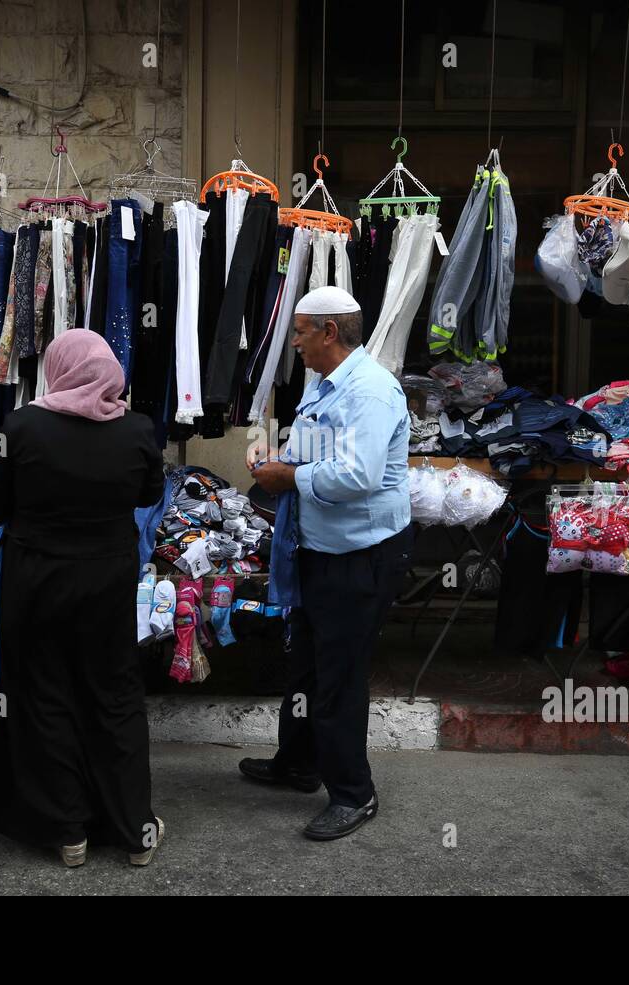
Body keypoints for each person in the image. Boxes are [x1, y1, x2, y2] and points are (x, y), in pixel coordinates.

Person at [0, 329, 166, 868]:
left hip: (36, 582)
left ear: (56, 368)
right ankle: (134, 832)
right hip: (107, 583)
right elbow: (150, 493)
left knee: (44, 696)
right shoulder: (137, 430)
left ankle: (68, 832)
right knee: (116, 698)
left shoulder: (20, 427)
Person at [243, 285, 412, 841]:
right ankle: (299, 763)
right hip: (321, 550)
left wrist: (285, 477)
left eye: (299, 331)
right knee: (308, 667)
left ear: (329, 332)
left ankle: (354, 794)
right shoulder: (327, 384)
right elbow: (320, 452)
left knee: (338, 679)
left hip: (358, 557)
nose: (293, 342)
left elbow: (356, 478)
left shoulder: (368, 393)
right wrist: (281, 458)